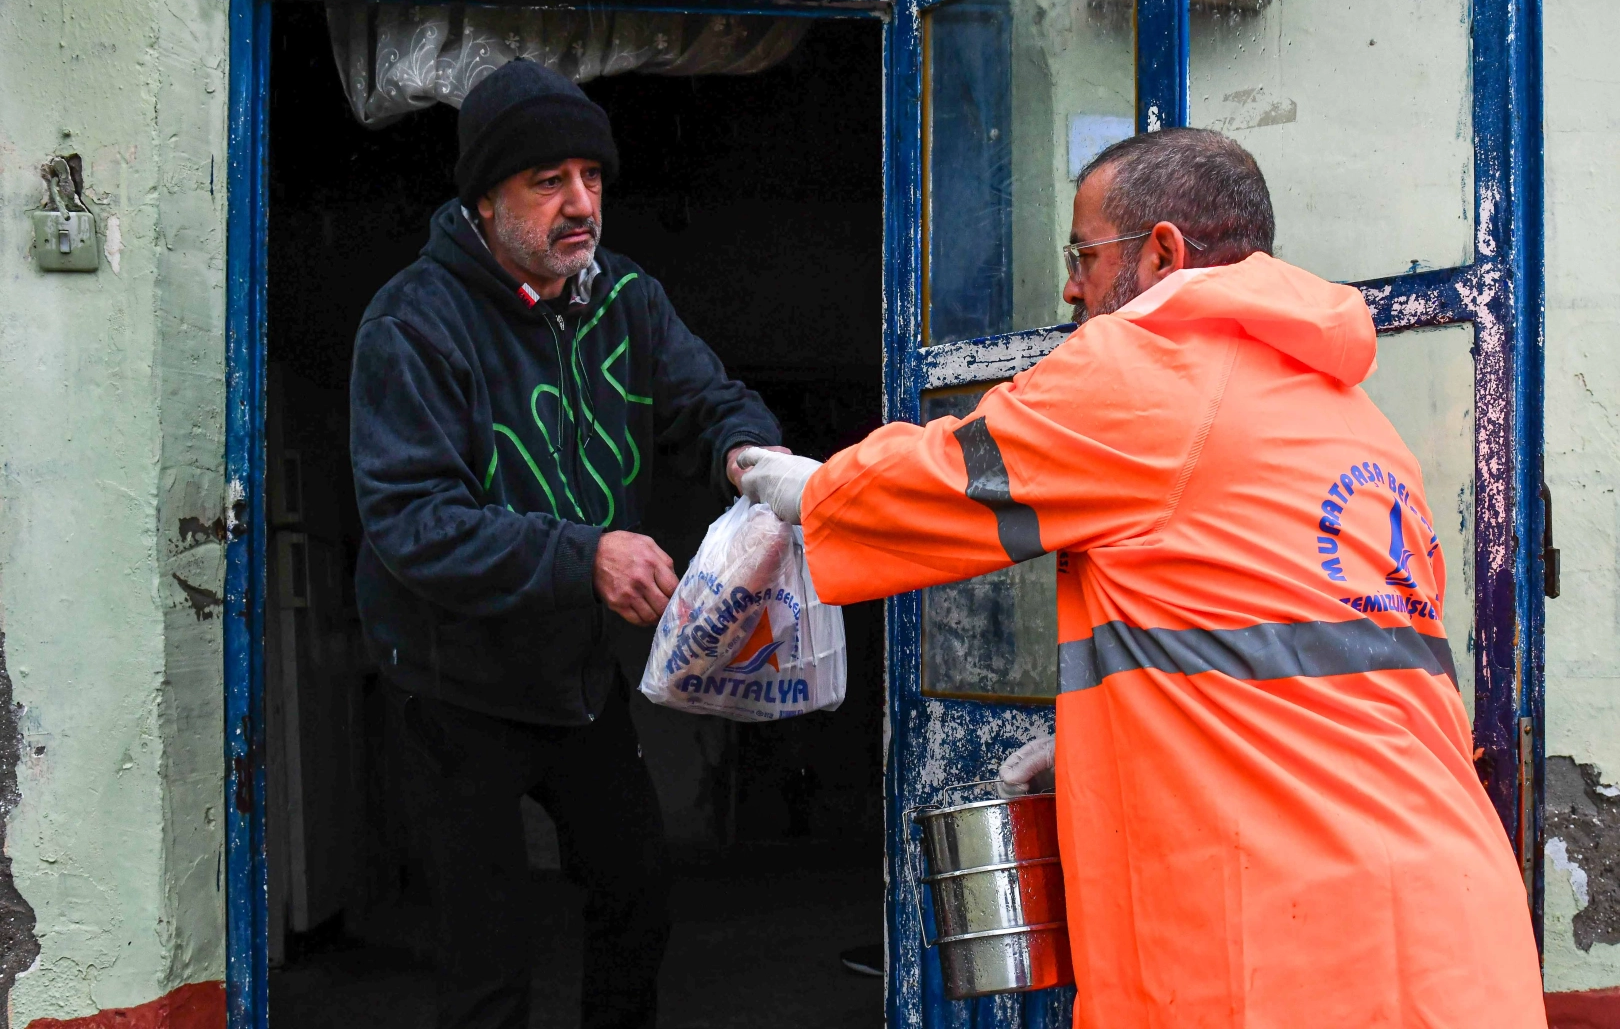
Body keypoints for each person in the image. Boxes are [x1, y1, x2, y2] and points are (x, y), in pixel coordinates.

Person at [739, 128, 1547, 1027]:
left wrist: (804, 489)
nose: (1071, 287)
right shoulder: (1351, 417)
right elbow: (1293, 658)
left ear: (1161, 250)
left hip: (1294, 955)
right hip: (1446, 935)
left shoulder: (1149, 365)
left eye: (1084, 256)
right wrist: (1110, 734)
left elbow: (938, 483)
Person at [349, 59, 787, 1029]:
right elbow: (413, 521)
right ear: (485, 199)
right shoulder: (413, 323)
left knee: (636, 897)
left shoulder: (625, 297)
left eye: (591, 177)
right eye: (548, 182)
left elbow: (705, 398)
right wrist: (585, 555)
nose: (580, 203)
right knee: (486, 951)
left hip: (574, 679)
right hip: (452, 683)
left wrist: (752, 459)